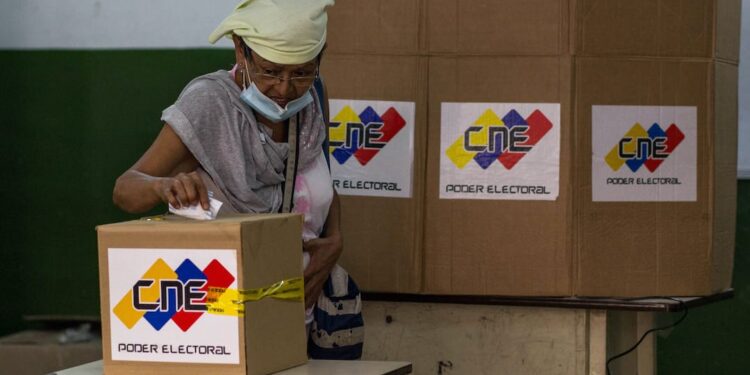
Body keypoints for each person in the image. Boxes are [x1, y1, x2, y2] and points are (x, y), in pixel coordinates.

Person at [112, 0, 363, 359]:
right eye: (270, 71)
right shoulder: (209, 105)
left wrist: (334, 238)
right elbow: (124, 189)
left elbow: (319, 180)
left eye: (302, 72)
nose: (284, 88)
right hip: (227, 325)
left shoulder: (310, 102)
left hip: (306, 317)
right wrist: (161, 186)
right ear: (240, 50)